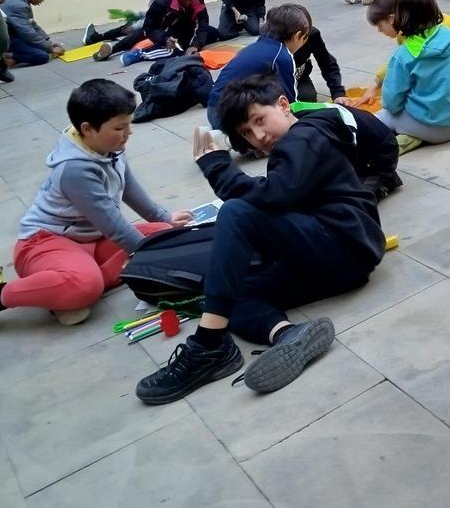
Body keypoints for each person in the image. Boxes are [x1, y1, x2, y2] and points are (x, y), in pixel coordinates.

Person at [134, 74, 386, 403]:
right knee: (225, 293)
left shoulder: (305, 135)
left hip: (343, 244)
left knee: (236, 212)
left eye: (259, 121)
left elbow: (271, 196)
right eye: (246, 133)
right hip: (334, 264)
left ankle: (207, 345)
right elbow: (281, 195)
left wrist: (215, 165)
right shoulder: (296, 145)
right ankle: (285, 334)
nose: (258, 136)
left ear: (283, 105)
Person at [0, 80, 189, 337]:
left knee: (163, 233)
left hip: (92, 240)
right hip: (44, 245)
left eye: (128, 124)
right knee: (100, 277)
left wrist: (163, 217)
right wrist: (154, 258)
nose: (128, 132)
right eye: (119, 127)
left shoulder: (109, 147)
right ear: (88, 129)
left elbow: (129, 187)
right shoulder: (75, 169)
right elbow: (114, 226)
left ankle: (64, 292)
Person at [376, 0, 450, 146]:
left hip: (425, 125)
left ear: (401, 15)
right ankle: (411, 136)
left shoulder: (404, 53)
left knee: (378, 118)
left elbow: (391, 102)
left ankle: (405, 137)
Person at [207, 4, 306, 153]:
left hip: (216, 109)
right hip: (229, 118)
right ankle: (228, 141)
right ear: (298, 36)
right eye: (305, 38)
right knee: (285, 134)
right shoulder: (282, 55)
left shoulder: (257, 46)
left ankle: (232, 138)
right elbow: (290, 104)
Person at [97, 0, 219, 64]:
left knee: (214, 34)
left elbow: (203, 25)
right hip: (165, 29)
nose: (187, 2)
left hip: (184, 26)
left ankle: (113, 48)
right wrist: (165, 39)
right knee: (174, 48)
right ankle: (135, 53)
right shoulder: (162, 2)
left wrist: (196, 45)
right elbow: (149, 28)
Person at [1, 0, 65, 67]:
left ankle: (13, 57)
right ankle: (7, 56)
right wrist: (51, 50)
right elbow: (29, 34)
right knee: (42, 56)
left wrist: (48, 42)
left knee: (41, 47)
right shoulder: (19, 6)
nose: (42, 0)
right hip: (8, 39)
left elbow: (31, 24)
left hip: (12, 34)